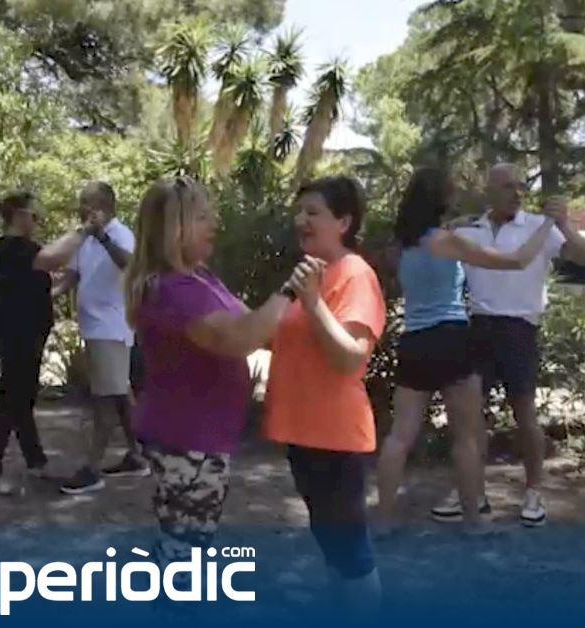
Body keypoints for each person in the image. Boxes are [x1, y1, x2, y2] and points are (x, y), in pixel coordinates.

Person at [125, 176, 300, 598]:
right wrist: (291, 290)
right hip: (188, 440)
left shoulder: (199, 278)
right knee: (185, 552)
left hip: (200, 438)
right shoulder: (172, 290)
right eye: (202, 217)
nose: (214, 224)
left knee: (183, 545)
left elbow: (255, 326)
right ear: (174, 228)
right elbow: (238, 339)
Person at [375, 167, 556, 535]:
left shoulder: (402, 246)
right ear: (440, 200)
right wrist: (549, 223)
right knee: (466, 437)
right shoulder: (449, 242)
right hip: (452, 338)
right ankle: (474, 521)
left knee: (400, 436)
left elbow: (428, 244)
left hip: (414, 340)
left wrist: (457, 224)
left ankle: (382, 520)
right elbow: (517, 260)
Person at [429, 164, 585, 528]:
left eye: (522, 186)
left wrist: (564, 223)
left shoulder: (540, 226)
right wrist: (452, 224)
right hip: (478, 326)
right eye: (508, 186)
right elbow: (431, 248)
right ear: (489, 190)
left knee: (525, 415)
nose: (517, 193)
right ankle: (471, 492)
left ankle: (534, 492)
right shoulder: (469, 230)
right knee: (471, 417)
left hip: (519, 328)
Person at [262, 176, 387, 614]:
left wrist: (313, 302)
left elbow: (350, 358)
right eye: (299, 211)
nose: (301, 220)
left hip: (335, 435)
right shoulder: (310, 273)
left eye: (313, 212)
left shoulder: (355, 274)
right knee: (330, 539)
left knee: (350, 551)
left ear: (344, 222)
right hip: (304, 432)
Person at [48, 181, 148, 495]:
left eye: (87, 203)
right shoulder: (85, 239)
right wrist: (46, 295)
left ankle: (92, 469)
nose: (81, 208)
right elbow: (73, 276)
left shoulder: (120, 234)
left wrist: (103, 237)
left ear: (104, 207)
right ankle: (138, 455)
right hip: (93, 327)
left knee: (104, 400)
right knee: (119, 394)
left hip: (111, 327)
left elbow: (131, 266)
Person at [0, 191, 54, 496]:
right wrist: (86, 232)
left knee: (22, 400)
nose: (37, 221)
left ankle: (36, 461)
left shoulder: (19, 250)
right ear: (20, 216)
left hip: (26, 334)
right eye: (34, 216)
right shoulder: (15, 249)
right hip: (18, 335)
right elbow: (53, 258)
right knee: (10, 401)